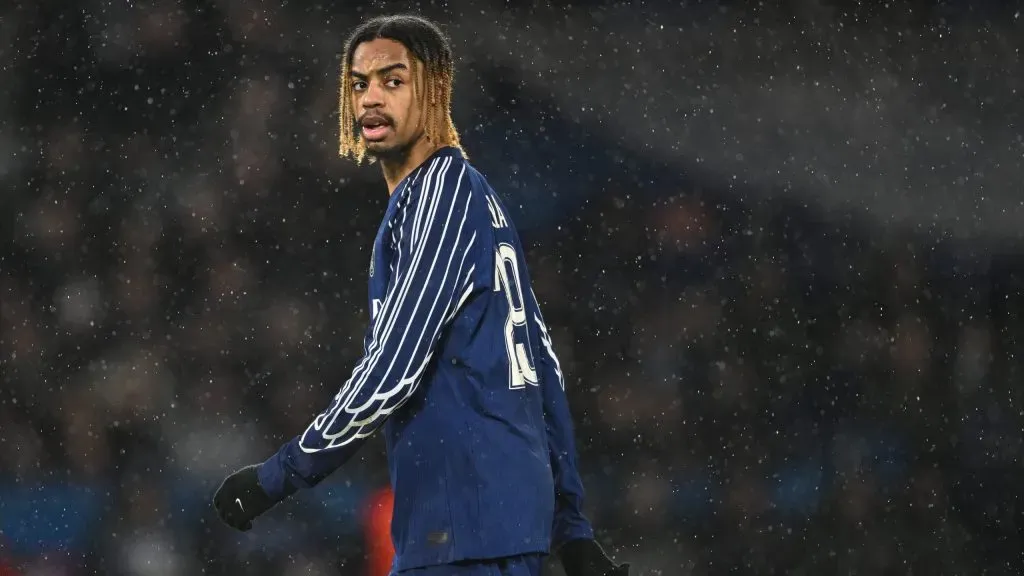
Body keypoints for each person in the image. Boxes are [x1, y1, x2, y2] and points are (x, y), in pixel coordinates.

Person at [212, 14, 628, 576]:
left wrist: (279, 475)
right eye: (359, 84)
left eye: (393, 80)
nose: (371, 99)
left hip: (464, 522)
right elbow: (540, 369)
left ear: (434, 91)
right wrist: (571, 527)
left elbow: (396, 362)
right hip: (491, 522)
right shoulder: (474, 200)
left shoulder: (442, 194)